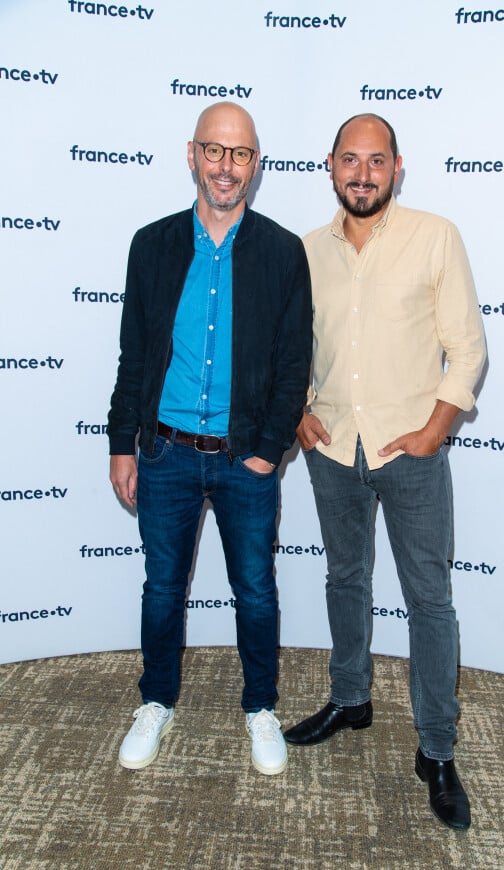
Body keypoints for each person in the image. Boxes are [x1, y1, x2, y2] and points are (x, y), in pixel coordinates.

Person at [283, 114, 486, 829]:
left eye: (376, 161)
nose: (362, 174)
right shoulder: (305, 250)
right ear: (330, 167)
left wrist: (435, 430)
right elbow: (291, 348)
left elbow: (468, 349)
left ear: (397, 168)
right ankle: (350, 698)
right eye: (349, 160)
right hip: (334, 449)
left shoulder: (436, 236)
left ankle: (437, 749)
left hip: (411, 454)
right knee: (345, 578)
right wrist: (298, 413)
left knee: (429, 600)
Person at [108, 102, 312, 776]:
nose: (227, 166)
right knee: (162, 587)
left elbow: (293, 364)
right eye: (215, 151)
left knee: (254, 588)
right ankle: (156, 701)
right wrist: (121, 444)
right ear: (192, 155)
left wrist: (269, 448)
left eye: (241, 154)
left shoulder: (284, 252)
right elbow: (132, 354)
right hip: (164, 452)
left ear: (257, 165)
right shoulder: (152, 244)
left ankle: (260, 708)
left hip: (243, 459)